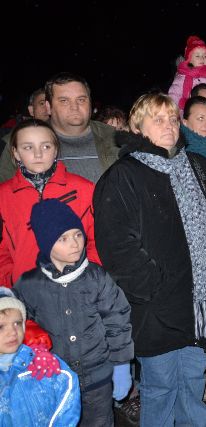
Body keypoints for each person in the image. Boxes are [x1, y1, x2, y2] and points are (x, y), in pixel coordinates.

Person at [93, 92, 206, 427]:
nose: (169, 126)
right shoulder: (124, 176)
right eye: (158, 119)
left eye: (173, 119)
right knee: (160, 388)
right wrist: (155, 288)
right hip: (157, 308)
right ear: (137, 127)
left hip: (199, 305)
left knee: (192, 382)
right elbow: (117, 247)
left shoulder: (197, 165)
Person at [14, 198, 133, 426]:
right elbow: (20, 325)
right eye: (63, 238)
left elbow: (117, 320)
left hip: (98, 377)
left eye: (78, 234)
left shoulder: (97, 277)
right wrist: (33, 353)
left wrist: (121, 364)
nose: (75, 244)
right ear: (46, 243)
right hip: (55, 378)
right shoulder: (29, 285)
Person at [0, 119, 100, 288]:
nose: (38, 154)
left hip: (76, 287)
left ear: (55, 150)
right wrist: (11, 283)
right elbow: (2, 251)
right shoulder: (3, 196)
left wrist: (87, 278)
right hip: (25, 291)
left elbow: (97, 240)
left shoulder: (84, 188)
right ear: (16, 153)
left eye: (46, 146)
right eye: (28, 147)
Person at [0, 72, 119, 183]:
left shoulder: (113, 137)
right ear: (48, 107)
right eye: (64, 101)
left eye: (81, 100)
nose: (74, 107)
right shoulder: (20, 140)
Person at [0, 288, 81, 425]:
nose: (13, 332)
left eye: (17, 323)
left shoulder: (39, 363)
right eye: (1, 327)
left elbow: (68, 384)